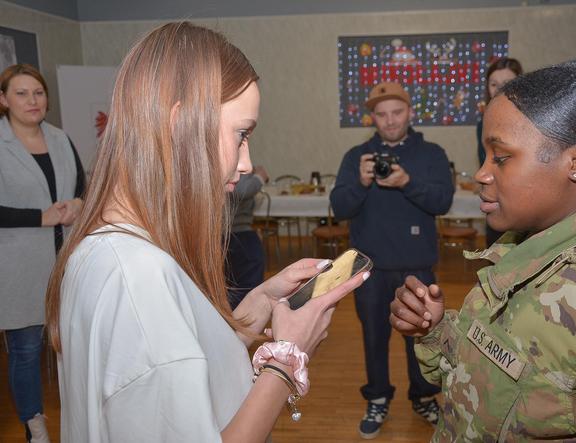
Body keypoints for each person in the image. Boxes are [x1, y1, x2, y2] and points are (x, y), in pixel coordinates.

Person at [45, 22, 368, 443]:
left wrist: (259, 303)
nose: (247, 162)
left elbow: (179, 362)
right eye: (242, 134)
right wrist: (287, 359)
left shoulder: (109, 246)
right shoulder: (140, 277)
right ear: (180, 125)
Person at [390, 60, 576, 441]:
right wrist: (435, 330)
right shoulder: (523, 250)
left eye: (500, 158)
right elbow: (500, 371)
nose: (483, 174)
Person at [330, 81, 455, 439]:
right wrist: (361, 181)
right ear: (372, 118)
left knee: (419, 337)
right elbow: (340, 208)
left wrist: (407, 182)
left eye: (396, 112)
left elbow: (442, 201)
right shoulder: (357, 156)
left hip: (416, 266)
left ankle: (423, 395)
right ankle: (378, 397)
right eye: (381, 114)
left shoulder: (430, 153)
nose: (389, 121)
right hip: (368, 268)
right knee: (373, 337)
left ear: (409, 112)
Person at [0, 63, 85, 443]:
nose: (32, 101)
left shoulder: (61, 138)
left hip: (66, 261)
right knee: (26, 349)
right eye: (21, 93)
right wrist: (41, 216)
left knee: (74, 343)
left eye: (38, 92)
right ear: (3, 100)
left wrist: (80, 203)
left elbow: (82, 186)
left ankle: (82, 417)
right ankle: (35, 425)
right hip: (18, 266)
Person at [476, 57, 523, 247]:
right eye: (493, 84)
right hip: (497, 203)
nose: (498, 90)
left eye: (506, 83)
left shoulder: (532, 122)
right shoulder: (484, 124)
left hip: (526, 205)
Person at [226, 165, 269, 310]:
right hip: (236, 234)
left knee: (233, 284)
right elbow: (241, 191)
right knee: (247, 288)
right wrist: (259, 178)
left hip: (231, 233)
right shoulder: (231, 164)